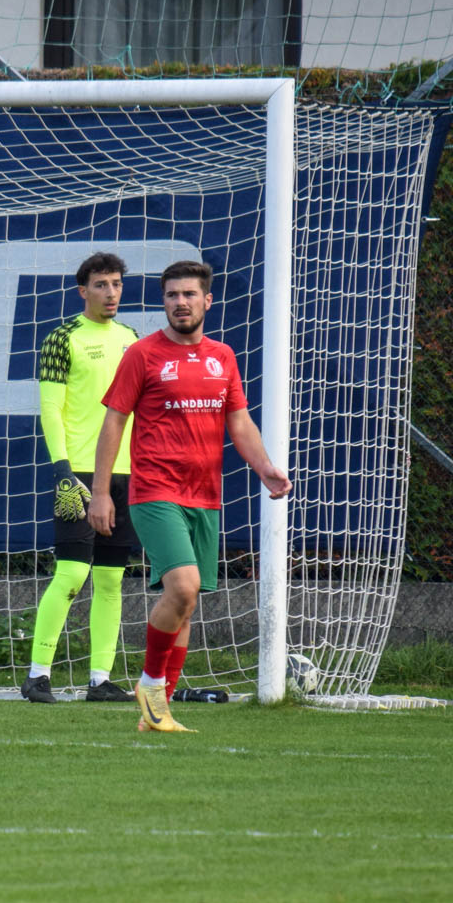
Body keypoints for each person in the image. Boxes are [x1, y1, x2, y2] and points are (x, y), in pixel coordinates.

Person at [87, 260, 290, 734]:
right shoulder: (142, 355)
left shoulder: (223, 356)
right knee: (183, 586)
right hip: (155, 490)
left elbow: (238, 421)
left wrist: (264, 468)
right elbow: (114, 421)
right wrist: (100, 492)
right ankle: (150, 684)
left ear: (207, 301)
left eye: (189, 294)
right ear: (164, 302)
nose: (180, 302)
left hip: (205, 496)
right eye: (172, 295)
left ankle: (159, 712)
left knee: (186, 602)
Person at [22, 251, 140, 705]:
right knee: (72, 571)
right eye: (101, 285)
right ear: (82, 291)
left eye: (116, 284)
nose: (111, 292)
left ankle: (100, 680)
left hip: (125, 472)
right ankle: (37, 675)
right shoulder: (61, 338)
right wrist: (63, 470)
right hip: (78, 473)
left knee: (111, 579)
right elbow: (50, 409)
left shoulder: (132, 339)